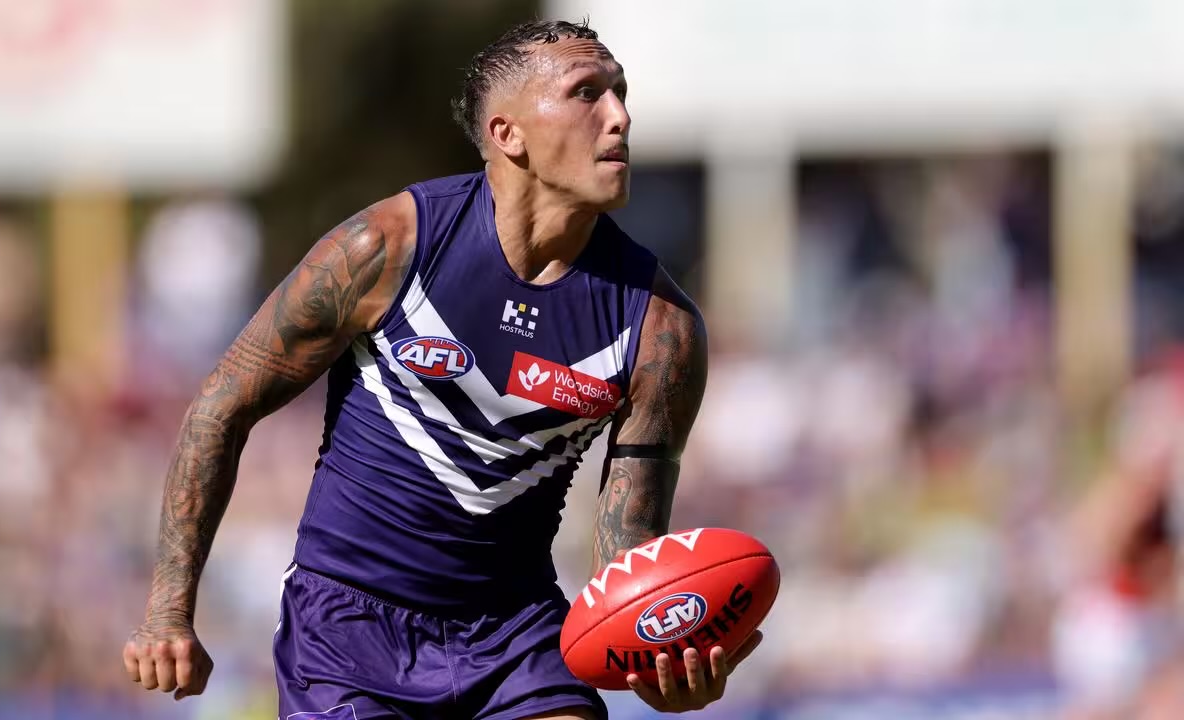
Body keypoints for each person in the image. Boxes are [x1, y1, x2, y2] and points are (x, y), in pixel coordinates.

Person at [122, 19, 761, 719]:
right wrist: (168, 611)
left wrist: (656, 652)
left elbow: (626, 562)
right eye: (587, 94)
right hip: (347, 632)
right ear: (507, 134)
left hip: (515, 634)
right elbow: (220, 407)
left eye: (621, 94)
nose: (620, 117)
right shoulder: (386, 248)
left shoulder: (661, 329)